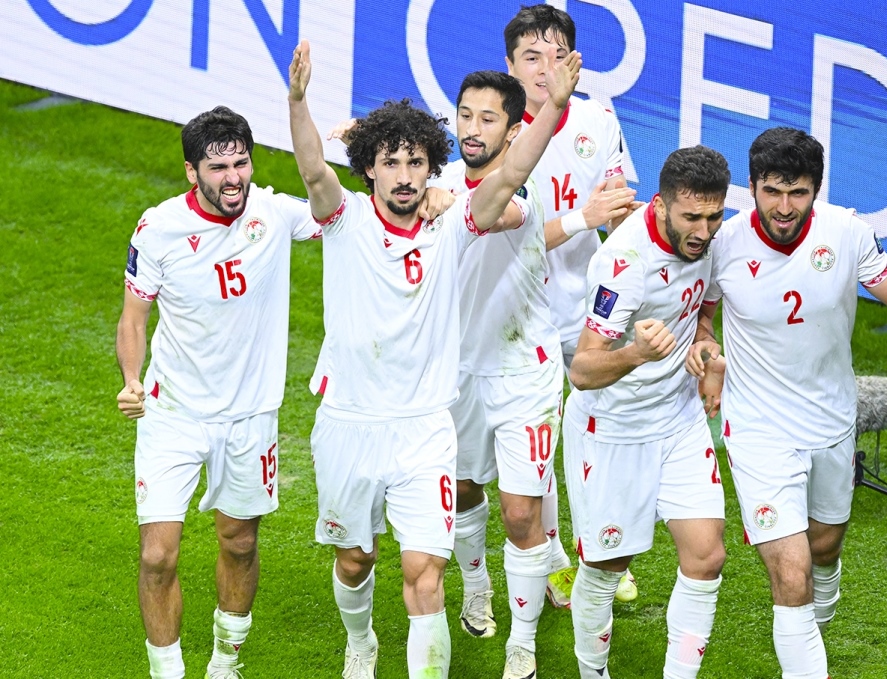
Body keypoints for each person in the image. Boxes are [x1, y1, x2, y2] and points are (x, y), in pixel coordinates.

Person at [287, 39, 580, 679]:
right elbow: (312, 172)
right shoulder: (344, 220)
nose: (403, 175)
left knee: (425, 574)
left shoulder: (453, 226)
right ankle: (361, 641)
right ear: (369, 169)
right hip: (350, 423)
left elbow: (510, 174)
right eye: (390, 162)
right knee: (355, 560)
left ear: (430, 170)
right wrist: (298, 102)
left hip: (424, 430)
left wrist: (553, 110)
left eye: (415, 162)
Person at [697, 127, 887, 679]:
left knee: (824, 550)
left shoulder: (847, 233)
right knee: (791, 571)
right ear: (752, 187)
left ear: (816, 189)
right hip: (758, 429)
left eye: (798, 193)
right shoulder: (725, 244)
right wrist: (707, 350)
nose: (784, 208)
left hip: (831, 420)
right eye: (772, 192)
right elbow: (703, 317)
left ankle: (815, 624)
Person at [115, 106, 323, 679]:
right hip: (172, 413)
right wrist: (131, 378)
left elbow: (346, 215)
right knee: (157, 554)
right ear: (192, 172)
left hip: (250, 418)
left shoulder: (273, 213)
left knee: (239, 543)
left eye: (241, 164)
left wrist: (430, 196)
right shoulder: (158, 228)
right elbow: (134, 317)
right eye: (218, 168)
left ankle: (225, 662)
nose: (234, 179)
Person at [563, 146, 731, 679]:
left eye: (713, 216)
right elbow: (582, 370)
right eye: (691, 217)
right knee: (607, 567)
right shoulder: (624, 266)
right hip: (613, 429)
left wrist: (704, 347)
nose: (703, 231)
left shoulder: (709, 242)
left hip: (679, 420)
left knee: (706, 556)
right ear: (660, 205)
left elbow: (703, 311)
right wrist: (638, 354)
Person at [503, 1, 641, 609]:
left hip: (589, 311)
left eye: (557, 56)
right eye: (531, 57)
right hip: (521, 314)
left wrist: (630, 247)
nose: (545, 69)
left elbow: (618, 211)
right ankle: (559, 562)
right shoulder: (498, 127)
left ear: (575, 63)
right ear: (510, 65)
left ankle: (602, 549)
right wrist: (585, 216)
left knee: (604, 434)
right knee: (541, 445)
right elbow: (502, 231)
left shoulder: (598, 119)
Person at [430, 70, 563, 679]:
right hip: (455, 370)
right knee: (461, 491)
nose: (473, 129)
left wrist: (442, 202)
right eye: (465, 115)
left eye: (488, 119)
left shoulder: (522, 187)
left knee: (520, 514)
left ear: (513, 131)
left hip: (522, 374)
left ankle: (522, 646)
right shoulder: (438, 177)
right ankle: (477, 586)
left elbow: (500, 211)